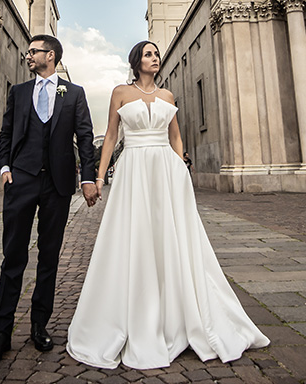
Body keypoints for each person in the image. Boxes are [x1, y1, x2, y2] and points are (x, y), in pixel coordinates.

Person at [66, 41, 269, 370]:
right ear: (136, 61)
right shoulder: (120, 92)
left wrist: (181, 168)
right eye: (148, 54)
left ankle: (179, 315)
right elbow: (112, 136)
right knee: (136, 237)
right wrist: (98, 177)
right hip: (134, 170)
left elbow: (175, 136)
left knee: (170, 237)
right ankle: (135, 315)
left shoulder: (168, 97)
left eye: (157, 54)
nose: (155, 58)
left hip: (166, 172)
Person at [0, 35, 98, 365]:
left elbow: (85, 137)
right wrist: (5, 167)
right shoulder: (18, 92)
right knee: (13, 256)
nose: (28, 55)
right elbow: (6, 132)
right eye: (28, 51)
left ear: (51, 55)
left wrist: (87, 177)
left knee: (49, 257)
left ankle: (38, 325)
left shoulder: (74, 93)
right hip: (21, 179)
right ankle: (1, 332)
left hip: (58, 184)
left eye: (33, 51)